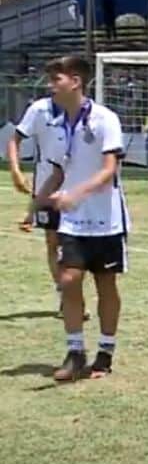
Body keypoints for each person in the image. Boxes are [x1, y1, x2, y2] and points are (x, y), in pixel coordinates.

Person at [32, 55, 130, 380]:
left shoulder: (105, 119)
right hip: (72, 223)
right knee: (69, 279)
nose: (50, 86)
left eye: (55, 79)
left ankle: (105, 352)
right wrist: (36, 204)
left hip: (106, 221)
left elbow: (108, 170)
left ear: (75, 81)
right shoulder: (60, 124)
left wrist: (76, 195)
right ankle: (75, 352)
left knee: (106, 285)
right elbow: (59, 171)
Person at [10, 94, 71, 314]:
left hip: (76, 186)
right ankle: (65, 293)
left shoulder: (88, 111)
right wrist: (16, 170)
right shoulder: (39, 109)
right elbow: (15, 138)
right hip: (46, 185)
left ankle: (72, 294)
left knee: (74, 245)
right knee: (53, 242)